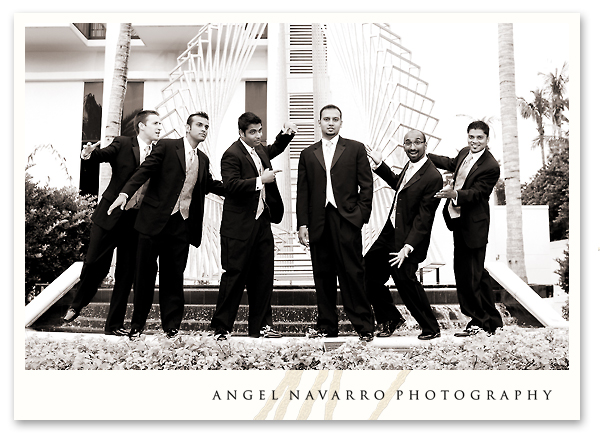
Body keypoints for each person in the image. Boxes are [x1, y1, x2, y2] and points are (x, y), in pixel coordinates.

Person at [107, 112, 224, 338]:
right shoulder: (167, 146)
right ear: (187, 128)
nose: (204, 129)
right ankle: (137, 327)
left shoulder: (203, 159)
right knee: (144, 277)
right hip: (152, 223)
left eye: (206, 126)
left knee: (173, 278)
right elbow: (144, 171)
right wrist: (124, 193)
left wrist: (247, 187)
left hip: (181, 225)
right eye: (199, 125)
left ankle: (171, 327)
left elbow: (210, 185)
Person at [62, 110, 162, 336]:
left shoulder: (159, 152)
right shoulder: (123, 143)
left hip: (135, 221)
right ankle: (76, 305)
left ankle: (113, 326)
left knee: (126, 274)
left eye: (160, 123)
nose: (159, 127)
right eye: (155, 123)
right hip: (110, 214)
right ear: (141, 126)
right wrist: (88, 154)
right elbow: (103, 155)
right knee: (94, 261)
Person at [210, 112, 297, 340]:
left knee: (263, 276)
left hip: (262, 224)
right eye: (253, 132)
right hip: (238, 228)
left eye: (260, 131)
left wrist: (285, 135)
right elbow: (231, 185)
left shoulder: (259, 149)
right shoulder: (231, 154)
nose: (258, 136)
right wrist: (260, 181)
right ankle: (221, 328)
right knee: (234, 277)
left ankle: (261, 328)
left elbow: (271, 151)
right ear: (241, 133)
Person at [297, 104, 375, 342]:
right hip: (318, 222)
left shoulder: (355, 148)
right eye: (326, 119)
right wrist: (302, 224)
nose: (331, 123)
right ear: (318, 122)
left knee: (352, 273)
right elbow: (303, 192)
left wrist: (360, 215)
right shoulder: (308, 153)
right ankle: (327, 326)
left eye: (335, 119)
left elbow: (367, 186)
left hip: (347, 220)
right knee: (322, 275)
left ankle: (364, 326)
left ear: (341, 122)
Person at [428, 120, 503, 336]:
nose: (475, 141)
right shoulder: (464, 153)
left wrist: (455, 194)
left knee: (472, 276)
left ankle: (478, 322)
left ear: (487, 139)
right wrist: (426, 155)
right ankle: (492, 322)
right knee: (471, 275)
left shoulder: (491, 166)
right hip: (457, 221)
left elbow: (478, 194)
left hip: (474, 226)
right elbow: (451, 163)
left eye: (479, 137)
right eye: (471, 137)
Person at [366, 129, 442, 340]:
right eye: (408, 143)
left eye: (417, 142)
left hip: (409, 240)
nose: (412, 147)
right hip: (390, 232)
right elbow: (399, 185)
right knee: (367, 272)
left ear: (426, 145)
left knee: (405, 281)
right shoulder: (410, 166)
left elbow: (424, 218)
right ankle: (389, 318)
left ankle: (431, 328)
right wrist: (380, 165)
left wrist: (406, 248)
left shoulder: (433, 176)